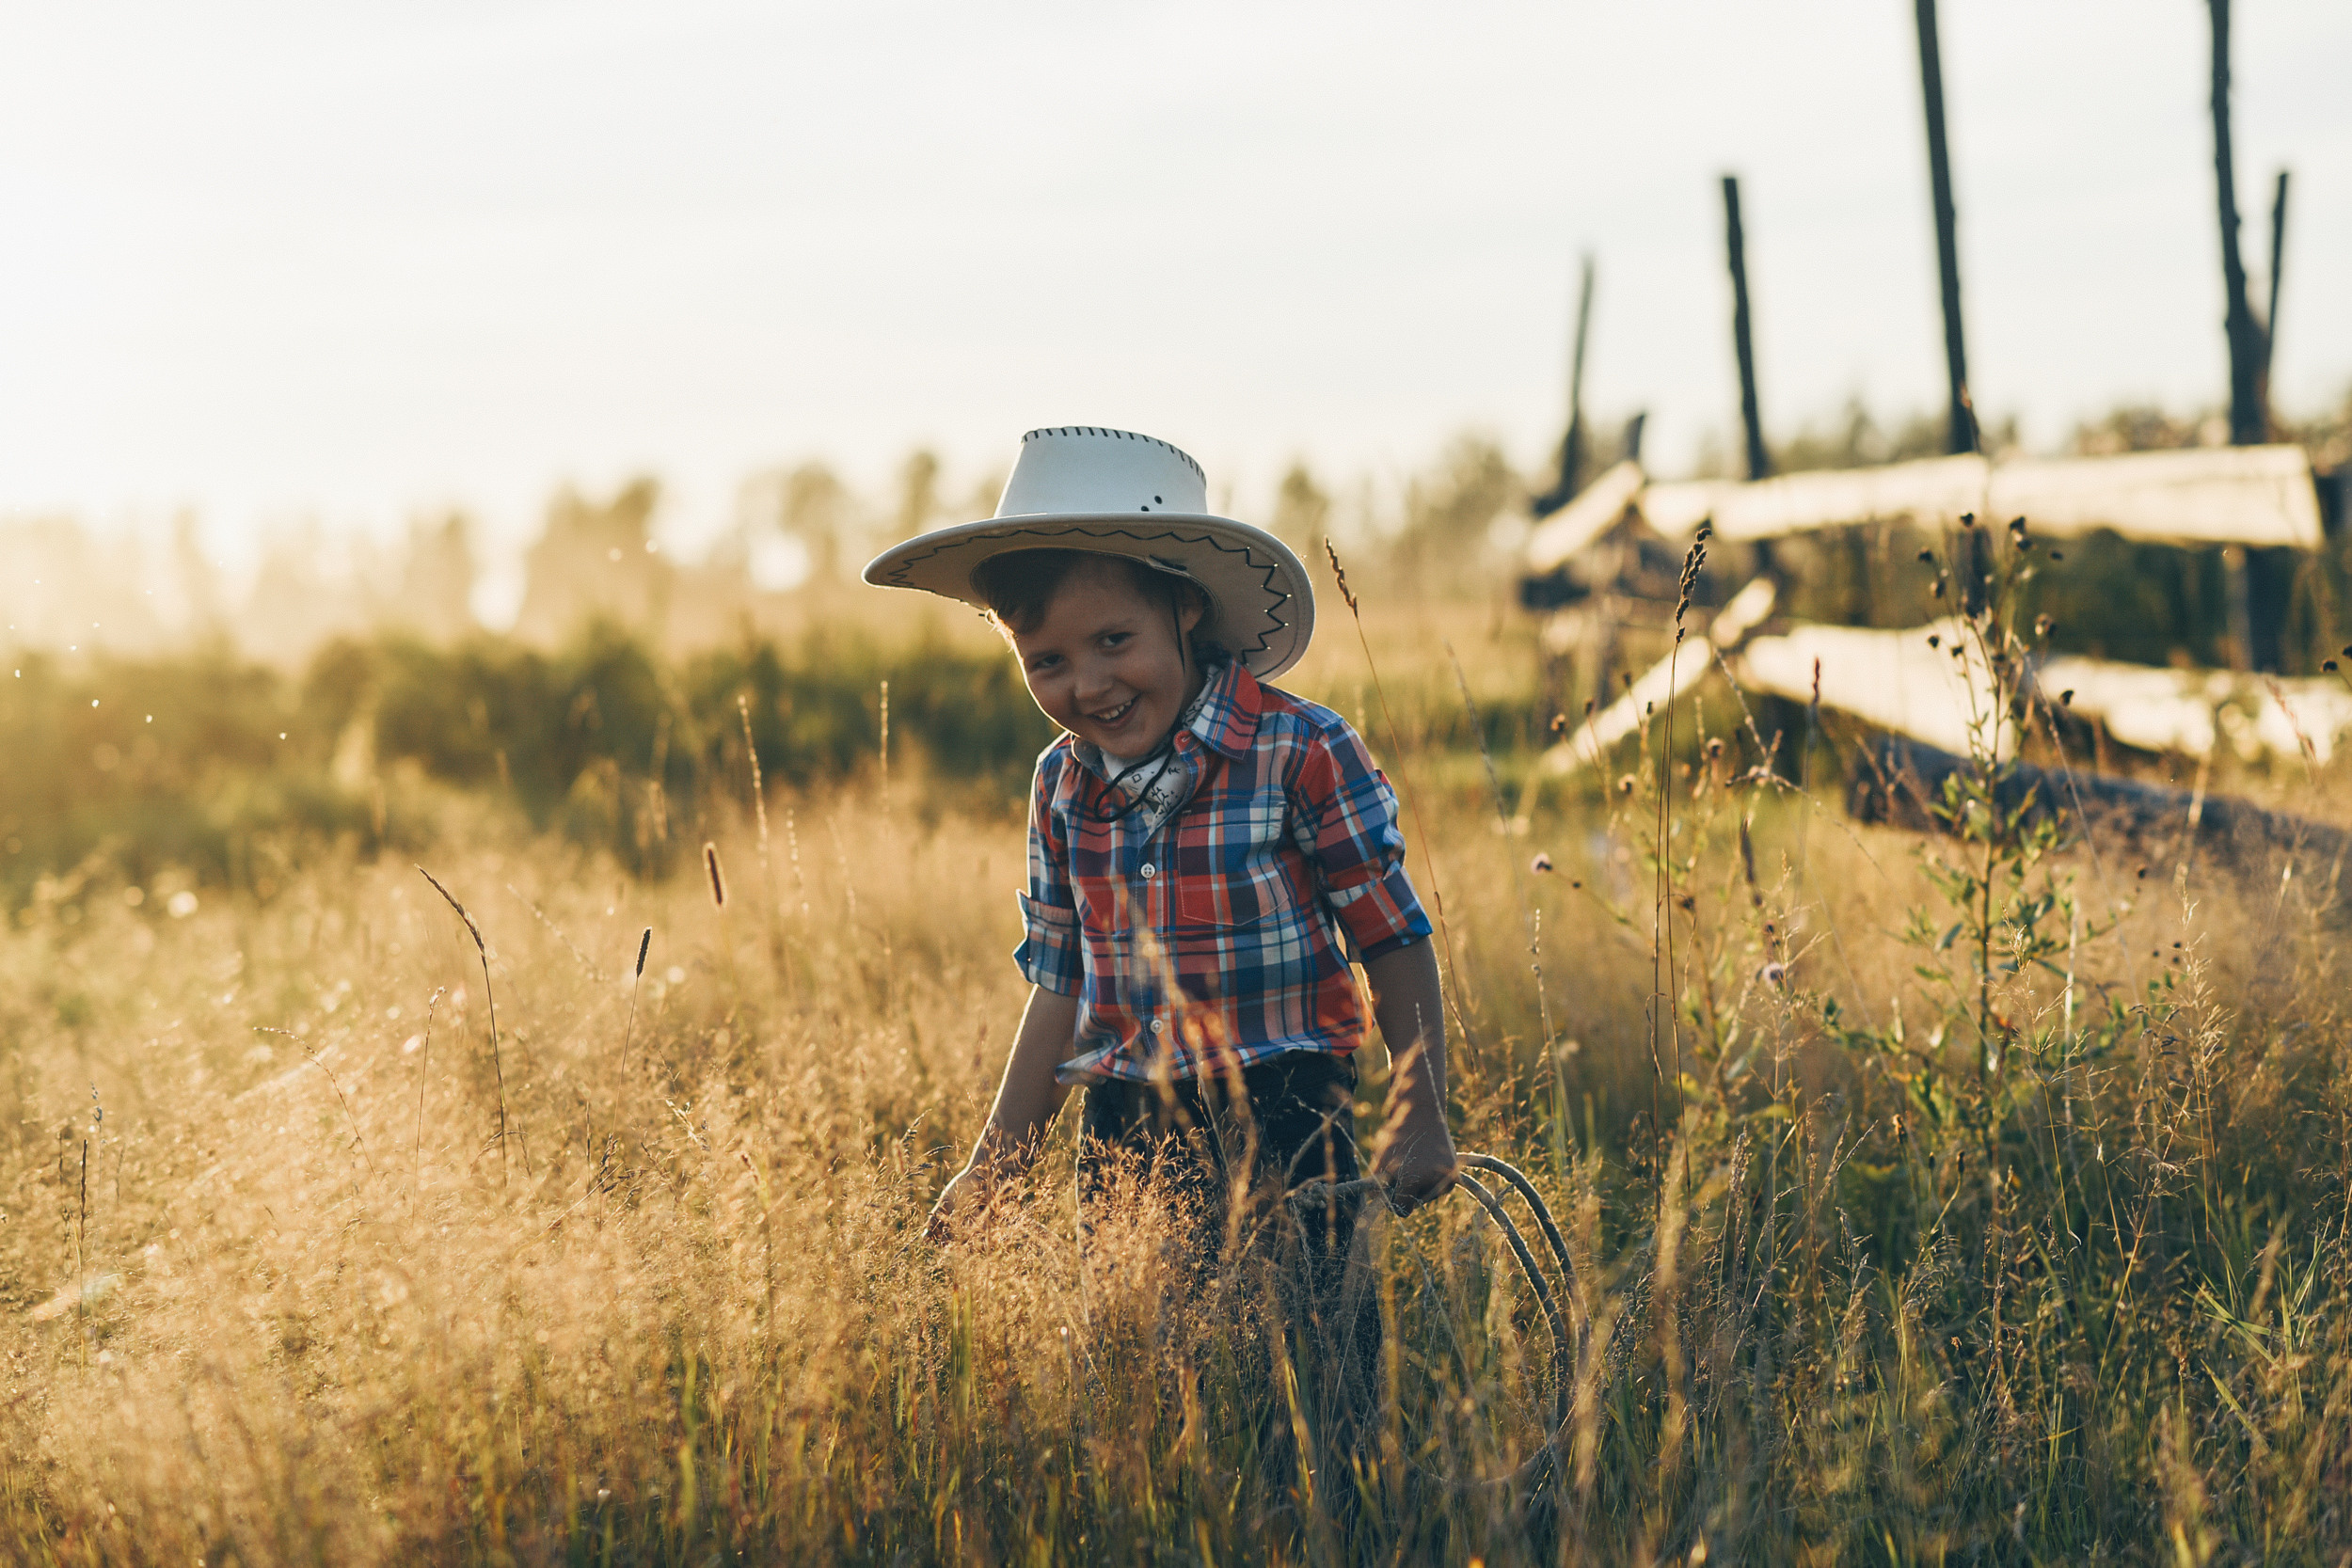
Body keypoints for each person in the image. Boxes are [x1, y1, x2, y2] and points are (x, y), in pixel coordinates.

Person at [864, 426, 1455, 1471]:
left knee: (1320, 1375)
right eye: (1047, 659)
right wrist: (994, 1164)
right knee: (1148, 1384)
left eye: (1113, 640)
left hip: (1288, 1102)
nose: (1087, 683)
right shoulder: (1061, 786)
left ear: (1184, 605)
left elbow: (1392, 938)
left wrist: (1419, 1113)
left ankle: (1335, 1517)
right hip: (1127, 1123)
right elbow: (1059, 984)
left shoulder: (1301, 750)